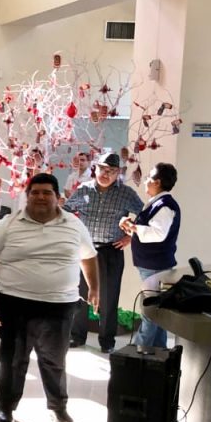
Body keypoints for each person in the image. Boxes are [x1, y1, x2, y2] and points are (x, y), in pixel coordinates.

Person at [0, 173, 99, 422]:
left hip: (59, 305)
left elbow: (88, 257)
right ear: (27, 196)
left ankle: (58, 408)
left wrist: (94, 288)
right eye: (35, 192)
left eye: (47, 193)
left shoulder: (74, 225)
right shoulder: (9, 224)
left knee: (54, 360)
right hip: (14, 303)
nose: (41, 197)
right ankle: (6, 408)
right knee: (12, 359)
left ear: (58, 198)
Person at [64, 151, 143, 353]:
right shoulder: (83, 190)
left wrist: (130, 236)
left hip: (111, 251)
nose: (105, 174)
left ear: (118, 173)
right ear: (95, 169)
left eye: (111, 171)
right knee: (80, 294)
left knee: (109, 297)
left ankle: (107, 341)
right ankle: (77, 336)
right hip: (84, 251)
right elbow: (65, 210)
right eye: (102, 169)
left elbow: (145, 215)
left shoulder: (126, 193)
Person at [120, 162, 180, 348]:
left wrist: (133, 227)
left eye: (148, 178)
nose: (145, 181)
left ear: (157, 182)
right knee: (157, 310)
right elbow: (149, 231)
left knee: (151, 311)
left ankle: (139, 352)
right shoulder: (157, 203)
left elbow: (158, 234)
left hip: (155, 265)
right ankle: (159, 352)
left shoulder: (164, 205)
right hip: (151, 264)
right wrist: (132, 228)